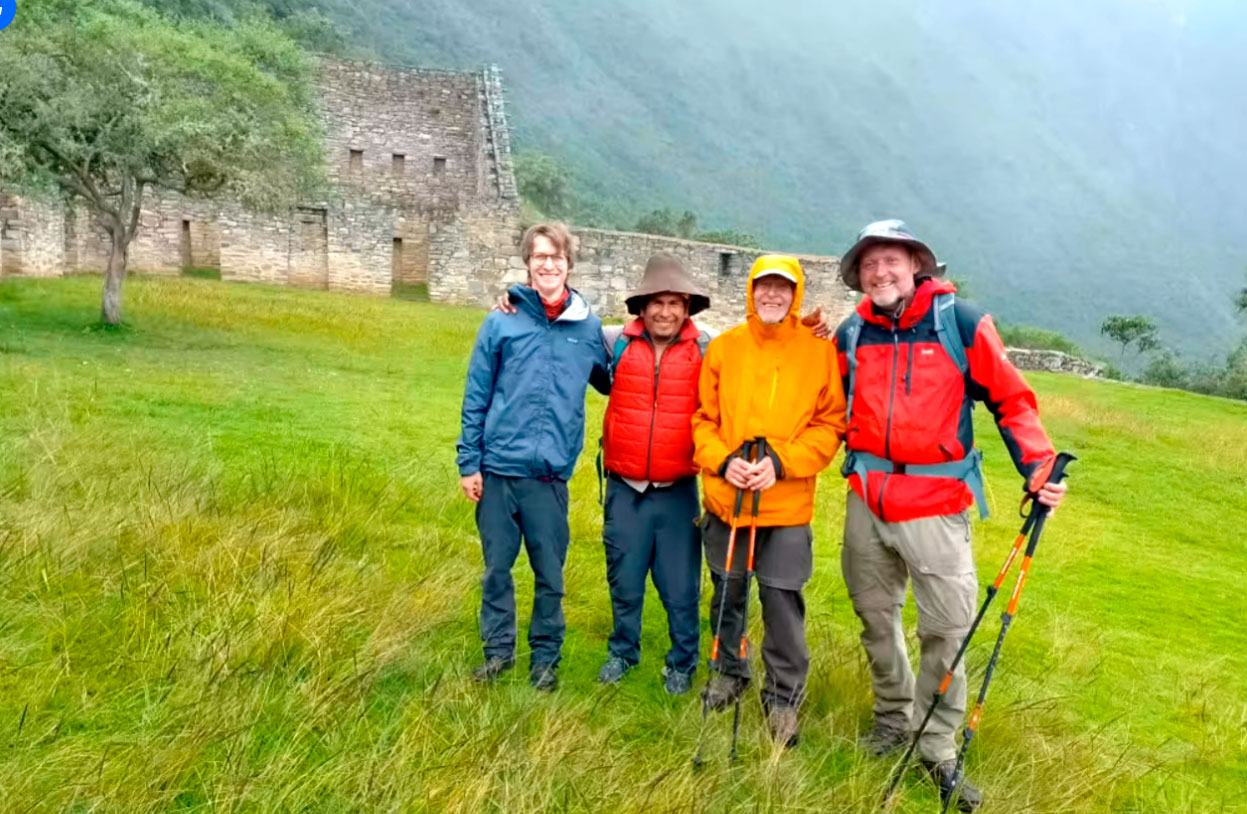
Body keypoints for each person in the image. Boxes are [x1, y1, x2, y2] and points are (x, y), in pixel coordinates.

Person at [832, 219, 1067, 810]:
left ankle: (936, 747)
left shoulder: (959, 323)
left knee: (945, 630)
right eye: (869, 265)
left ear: (917, 265)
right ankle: (892, 721)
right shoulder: (851, 334)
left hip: (937, 507)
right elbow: (827, 404)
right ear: (858, 275)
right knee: (875, 619)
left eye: (891, 261)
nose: (880, 273)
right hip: (867, 501)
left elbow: (1011, 398)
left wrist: (1038, 465)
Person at [692, 254, 846, 747]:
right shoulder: (724, 348)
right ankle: (729, 670)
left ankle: (782, 698)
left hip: (787, 505)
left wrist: (779, 463)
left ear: (796, 293)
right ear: (751, 291)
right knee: (728, 590)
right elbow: (702, 420)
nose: (772, 296)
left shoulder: (818, 352)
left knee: (782, 601)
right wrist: (722, 460)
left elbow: (830, 425)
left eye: (783, 288)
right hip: (728, 500)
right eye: (764, 287)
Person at [456, 221, 610, 692]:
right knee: (497, 571)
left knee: (550, 576)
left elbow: (614, 378)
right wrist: (469, 462)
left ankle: (545, 659)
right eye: (539, 256)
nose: (548, 264)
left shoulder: (587, 328)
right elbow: (477, 393)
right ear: (527, 263)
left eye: (556, 257)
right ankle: (498, 654)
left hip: (549, 478)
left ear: (568, 264)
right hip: (499, 470)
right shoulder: (500, 320)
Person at [594, 254, 713, 694]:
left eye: (674, 303)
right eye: (656, 302)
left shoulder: (707, 348)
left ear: (687, 308)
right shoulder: (612, 342)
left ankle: (682, 662)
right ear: (641, 307)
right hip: (625, 488)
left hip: (679, 488)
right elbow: (562, 326)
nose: (665, 311)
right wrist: (513, 302)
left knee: (681, 586)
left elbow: (756, 352)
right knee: (624, 578)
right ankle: (623, 652)